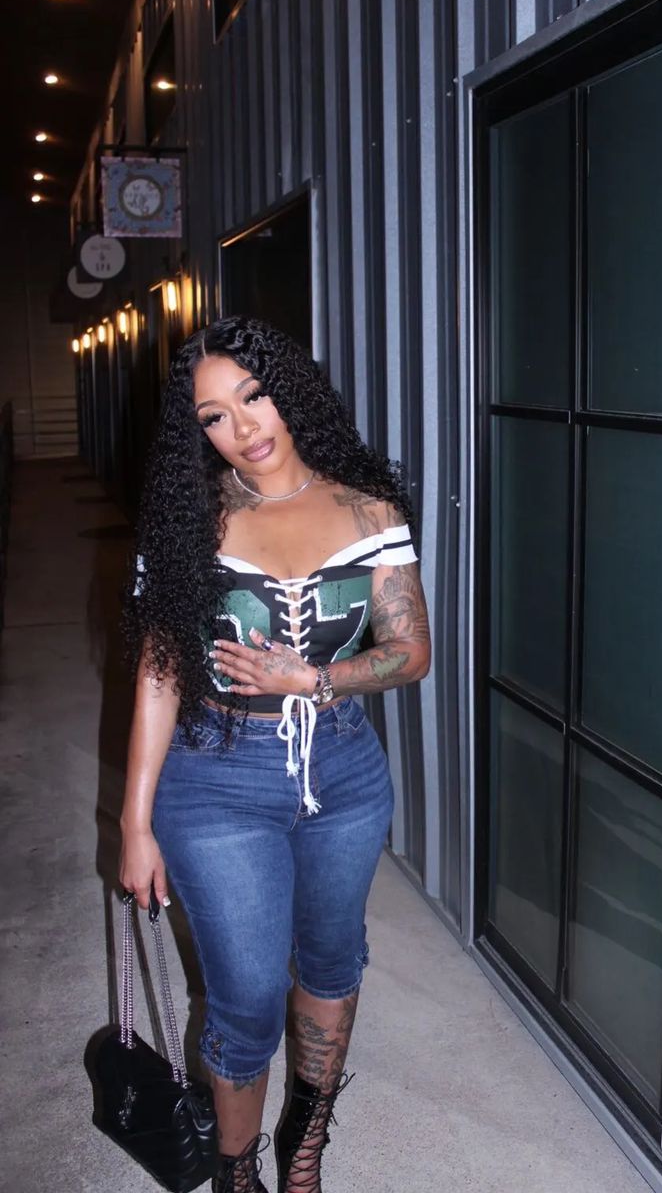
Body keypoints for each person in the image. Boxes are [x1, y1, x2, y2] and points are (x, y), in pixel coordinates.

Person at [119, 316, 431, 1193]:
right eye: (213, 416)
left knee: (333, 965)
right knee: (248, 994)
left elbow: (411, 652)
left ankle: (306, 1140)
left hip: (344, 774)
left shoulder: (368, 508)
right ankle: (236, 1169)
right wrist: (135, 824)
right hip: (217, 774)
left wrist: (315, 678)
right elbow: (159, 670)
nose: (242, 427)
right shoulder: (190, 519)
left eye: (253, 396)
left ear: (290, 391)